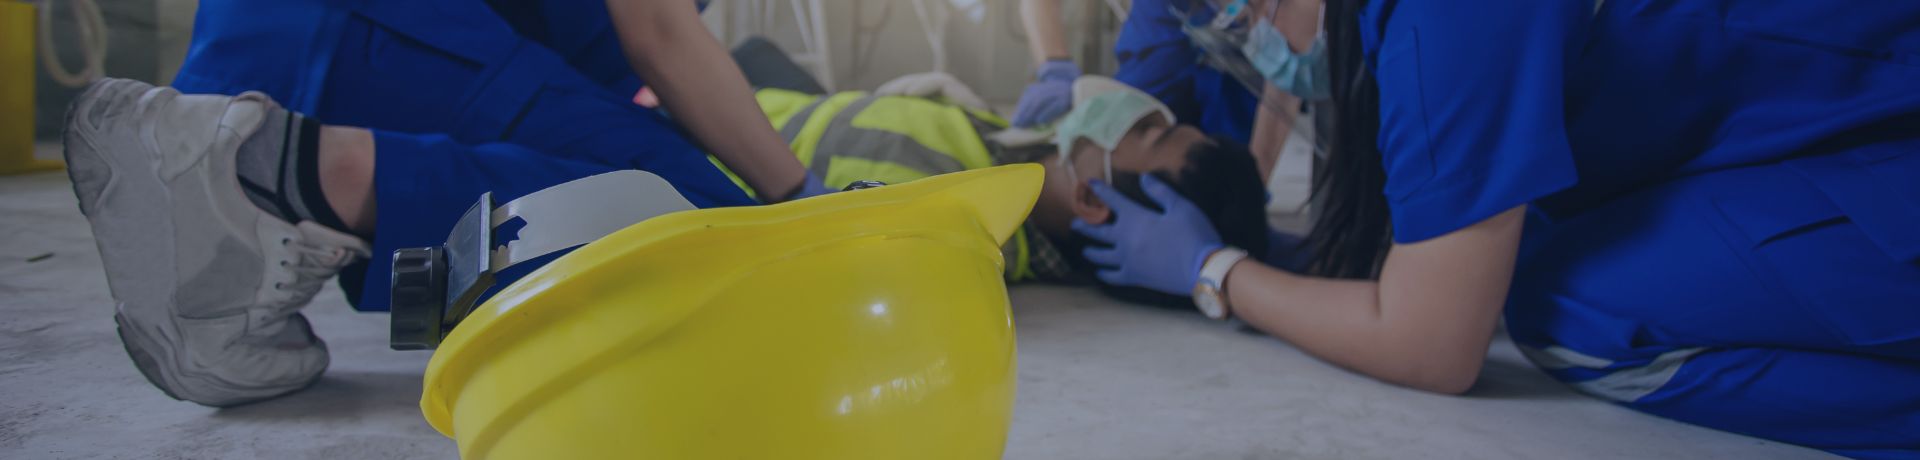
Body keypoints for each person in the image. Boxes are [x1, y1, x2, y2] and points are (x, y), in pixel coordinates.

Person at [1072, 0, 1920, 457]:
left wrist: (1213, 270)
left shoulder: (1442, 23)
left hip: (1880, 133)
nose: (1258, 45)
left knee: (1579, 310)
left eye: (1252, 14)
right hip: (1830, 111)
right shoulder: (1401, 32)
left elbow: (1434, 343)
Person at [78, 0, 831, 407]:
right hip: (381, 35)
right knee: (699, 219)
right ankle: (271, 170)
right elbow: (658, 27)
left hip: (281, 44)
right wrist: (803, 202)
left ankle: (258, 223)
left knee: (647, 173)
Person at [1013, 0, 1324, 178]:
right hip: (1166, 15)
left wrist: (1254, 179)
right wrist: (1055, 65)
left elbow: (1289, 47)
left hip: (1243, 61)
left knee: (1215, 168)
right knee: (1131, 129)